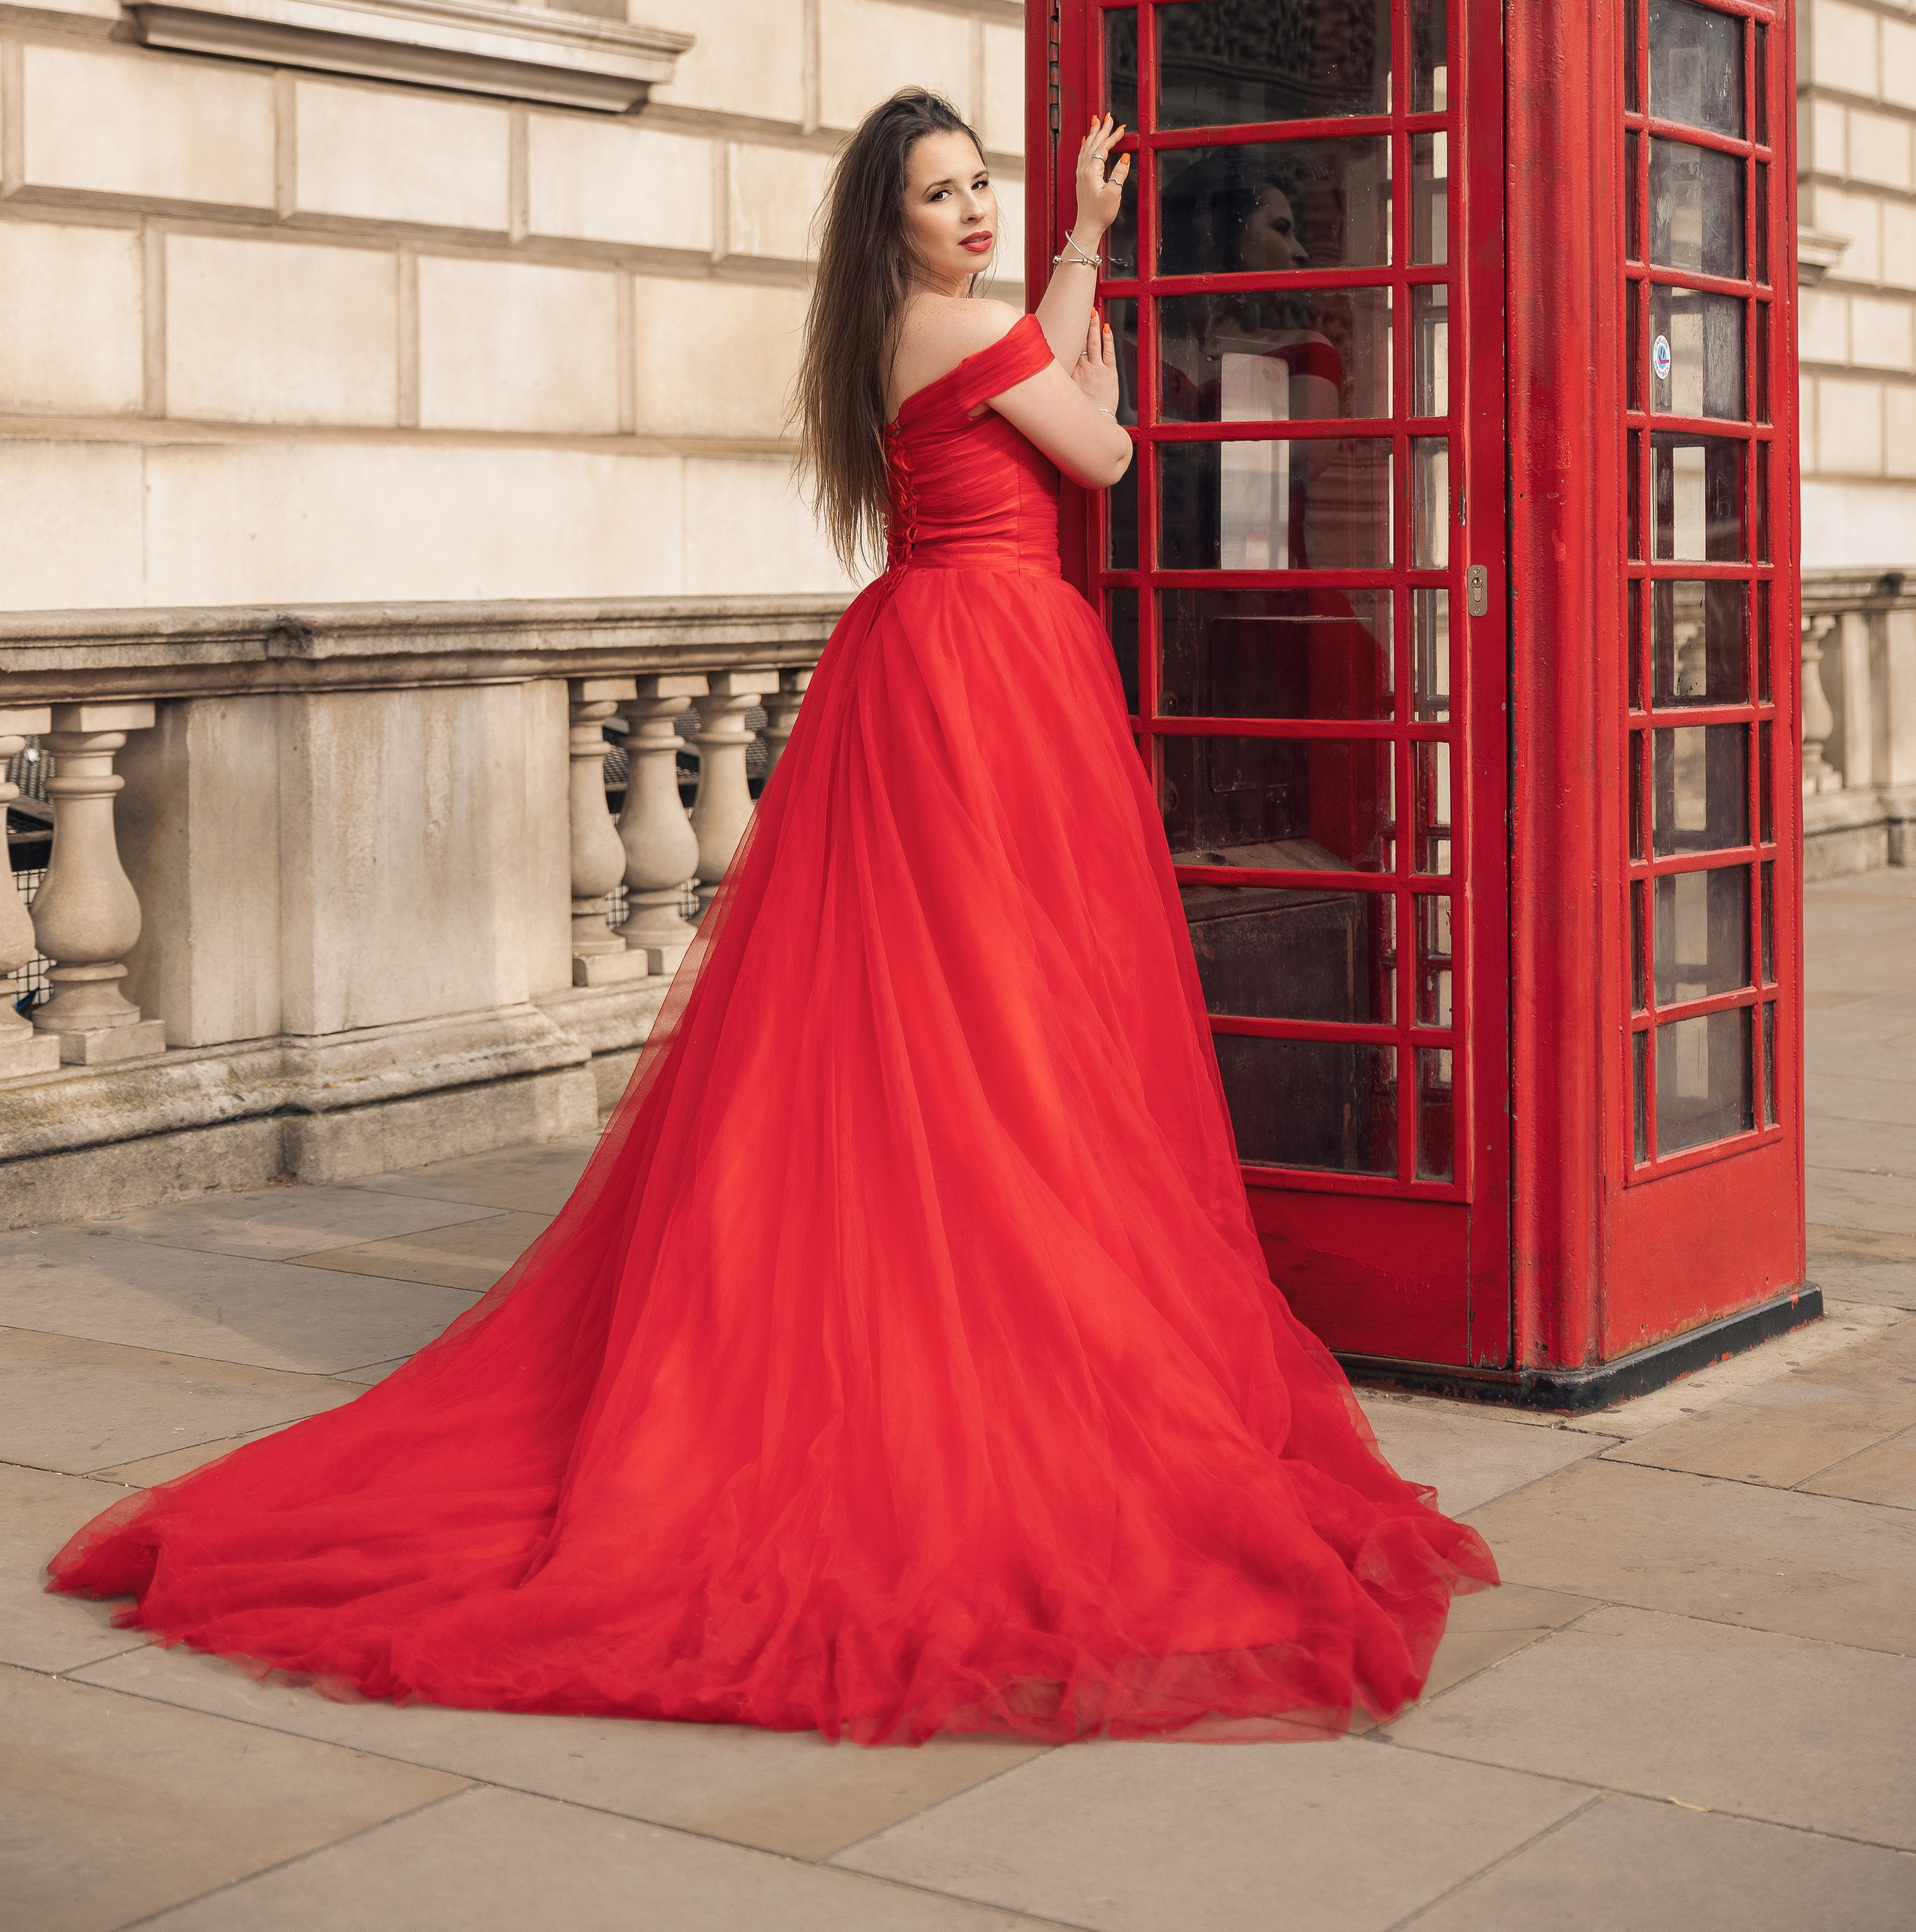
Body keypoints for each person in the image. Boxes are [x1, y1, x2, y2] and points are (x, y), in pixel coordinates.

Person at [47, 89, 1493, 1745]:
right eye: (937, 193)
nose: (964, 211)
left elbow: (1048, 399)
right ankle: (980, 1324)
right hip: (988, 680)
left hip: (938, 664)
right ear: (888, 221)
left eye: (975, 188)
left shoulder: (915, 328)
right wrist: (1088, 290)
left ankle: (937, 1293)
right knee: (1002, 1017)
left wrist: (1076, 262)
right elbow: (1098, 451)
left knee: (941, 1017)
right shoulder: (957, 324)